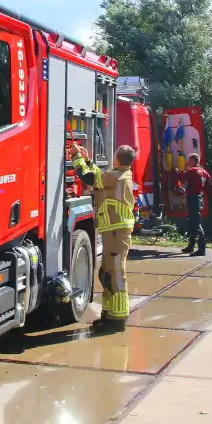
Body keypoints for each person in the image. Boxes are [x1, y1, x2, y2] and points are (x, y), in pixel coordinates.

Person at [71, 142, 136, 332]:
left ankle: (117, 318)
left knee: (115, 273)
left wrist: (77, 157)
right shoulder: (120, 174)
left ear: (117, 158)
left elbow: (89, 177)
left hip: (117, 232)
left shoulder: (115, 176)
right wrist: (88, 160)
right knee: (107, 273)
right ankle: (108, 314)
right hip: (114, 232)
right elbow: (101, 178)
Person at [177, 153, 212, 257]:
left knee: (196, 224)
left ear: (193, 161)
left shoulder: (193, 171)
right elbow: (209, 186)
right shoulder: (205, 173)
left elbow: (180, 177)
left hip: (193, 198)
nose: (187, 162)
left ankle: (202, 249)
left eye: (188, 160)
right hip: (199, 198)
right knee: (193, 222)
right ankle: (191, 246)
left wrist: (174, 172)